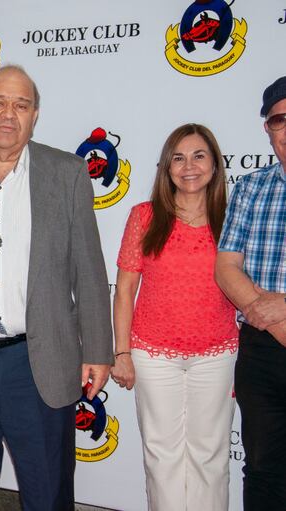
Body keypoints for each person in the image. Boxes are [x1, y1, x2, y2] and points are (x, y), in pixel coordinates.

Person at [0, 65, 113, 511]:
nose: (8, 114)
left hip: (39, 363)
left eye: (21, 105)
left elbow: (88, 269)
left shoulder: (66, 172)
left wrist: (98, 350)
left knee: (47, 493)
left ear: (35, 116)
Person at [110, 123, 238, 510]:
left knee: (210, 457)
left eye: (198, 156)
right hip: (152, 355)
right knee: (161, 456)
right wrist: (122, 353)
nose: (188, 167)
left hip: (217, 355)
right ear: (166, 168)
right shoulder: (144, 217)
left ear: (215, 165)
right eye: (178, 158)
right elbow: (125, 291)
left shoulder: (232, 218)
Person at [215, 76, 286, 509]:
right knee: (262, 466)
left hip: (268, 326)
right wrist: (276, 321)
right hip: (261, 353)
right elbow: (227, 268)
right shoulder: (250, 188)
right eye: (281, 120)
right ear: (268, 129)